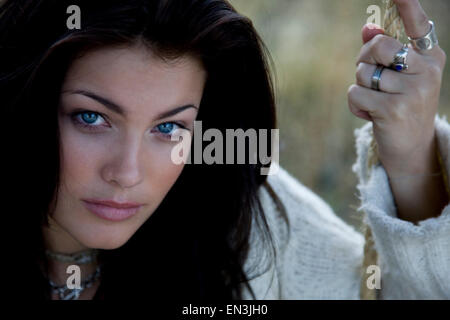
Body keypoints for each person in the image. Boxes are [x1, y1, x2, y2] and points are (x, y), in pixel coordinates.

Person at [1, 0, 449, 300]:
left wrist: (412, 157)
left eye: (170, 127)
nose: (127, 172)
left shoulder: (245, 220)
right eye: (91, 118)